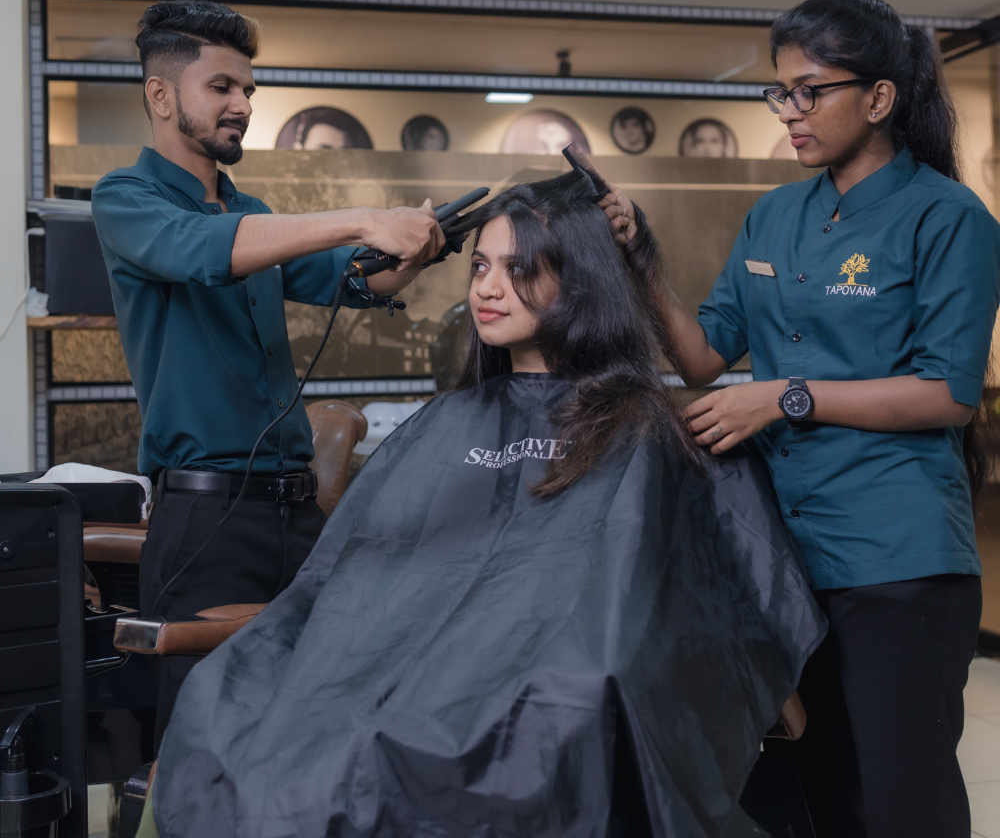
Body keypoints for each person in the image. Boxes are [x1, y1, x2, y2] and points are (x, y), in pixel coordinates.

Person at [149, 164, 825, 838]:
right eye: (480, 267)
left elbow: (649, 613)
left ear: (580, 280)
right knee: (227, 706)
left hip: (544, 699)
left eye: (519, 268)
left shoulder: (644, 430)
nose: (489, 289)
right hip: (411, 683)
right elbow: (355, 587)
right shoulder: (447, 423)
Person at [602, 0, 1000, 838]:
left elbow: (947, 394)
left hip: (897, 561)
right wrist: (640, 257)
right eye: (780, 92)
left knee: (900, 801)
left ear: (880, 98)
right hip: (782, 560)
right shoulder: (774, 215)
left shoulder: (947, 217)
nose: (790, 112)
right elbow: (706, 357)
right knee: (812, 791)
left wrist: (786, 395)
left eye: (809, 90)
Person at [91, 0, 444, 750]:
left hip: (297, 514)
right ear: (161, 95)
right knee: (206, 741)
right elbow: (202, 250)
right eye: (222, 87)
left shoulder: (253, 210)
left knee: (307, 727)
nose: (242, 106)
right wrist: (359, 219)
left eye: (247, 90)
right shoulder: (127, 200)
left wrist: (418, 244)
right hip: (205, 521)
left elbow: (350, 279)